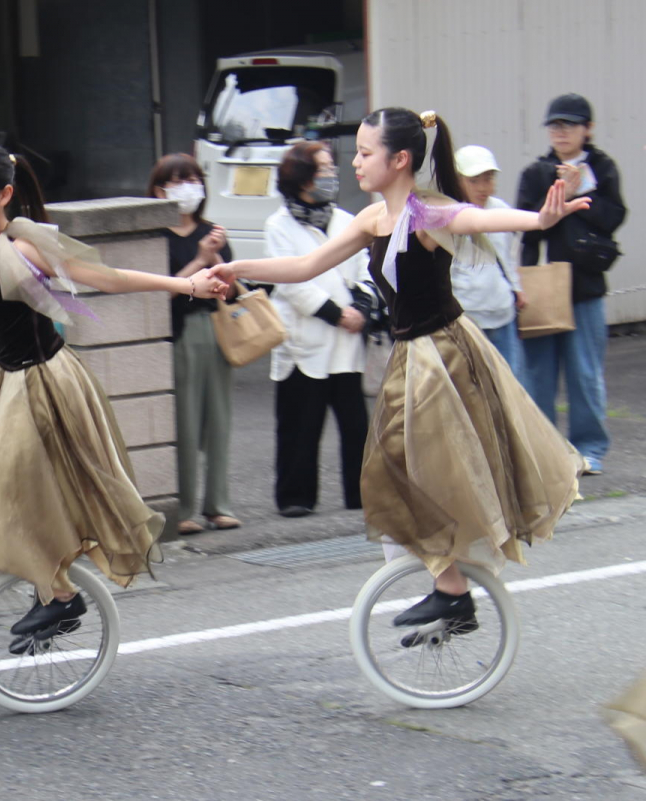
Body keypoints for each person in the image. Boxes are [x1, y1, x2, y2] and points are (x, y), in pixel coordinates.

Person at [210, 108, 586, 637]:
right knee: (401, 473)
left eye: (366, 153)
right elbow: (303, 268)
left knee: (414, 472)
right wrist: (236, 268)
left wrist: (539, 220)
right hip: (411, 357)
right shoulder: (371, 218)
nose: (355, 163)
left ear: (401, 159)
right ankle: (450, 588)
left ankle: (452, 591)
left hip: (443, 356)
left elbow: (474, 219)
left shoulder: (427, 214)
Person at [0, 142, 229, 654]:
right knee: (16, 496)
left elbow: (106, 278)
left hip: (49, 382)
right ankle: (55, 590)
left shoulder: (24, 246)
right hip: (13, 386)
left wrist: (187, 286)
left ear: (4, 195)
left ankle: (60, 596)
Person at [517, 93, 626, 476]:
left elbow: (613, 218)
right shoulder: (536, 172)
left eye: (569, 124)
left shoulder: (603, 168)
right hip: (541, 286)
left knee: (585, 374)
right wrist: (560, 193)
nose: (560, 132)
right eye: (554, 125)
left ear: (587, 129)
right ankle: (545, 452)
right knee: (538, 376)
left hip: (585, 286)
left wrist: (582, 192)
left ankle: (589, 450)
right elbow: (526, 227)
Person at [264, 141, 374, 518]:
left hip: (347, 340)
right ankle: (296, 496)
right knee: (300, 424)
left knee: (356, 425)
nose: (331, 175)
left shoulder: (346, 220)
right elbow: (292, 284)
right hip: (304, 341)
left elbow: (364, 268)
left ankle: (362, 494)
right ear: (302, 178)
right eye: (323, 169)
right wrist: (337, 314)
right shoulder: (278, 226)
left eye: (330, 167)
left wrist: (362, 307)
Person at [148, 153, 239, 534]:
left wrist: (216, 258)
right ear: (160, 190)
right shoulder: (156, 236)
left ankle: (218, 504)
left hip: (215, 329)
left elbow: (230, 292)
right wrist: (200, 259)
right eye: (179, 180)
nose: (189, 187)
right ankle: (183, 509)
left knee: (219, 421)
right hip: (180, 334)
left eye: (194, 179)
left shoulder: (212, 232)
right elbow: (158, 293)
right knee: (184, 424)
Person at [451, 145, 526, 382]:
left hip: (503, 312)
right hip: (466, 317)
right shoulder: (448, 215)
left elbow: (508, 255)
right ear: (457, 180)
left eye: (488, 178)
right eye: (474, 181)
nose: (483, 187)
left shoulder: (500, 209)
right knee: (471, 388)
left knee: (508, 386)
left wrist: (516, 287)